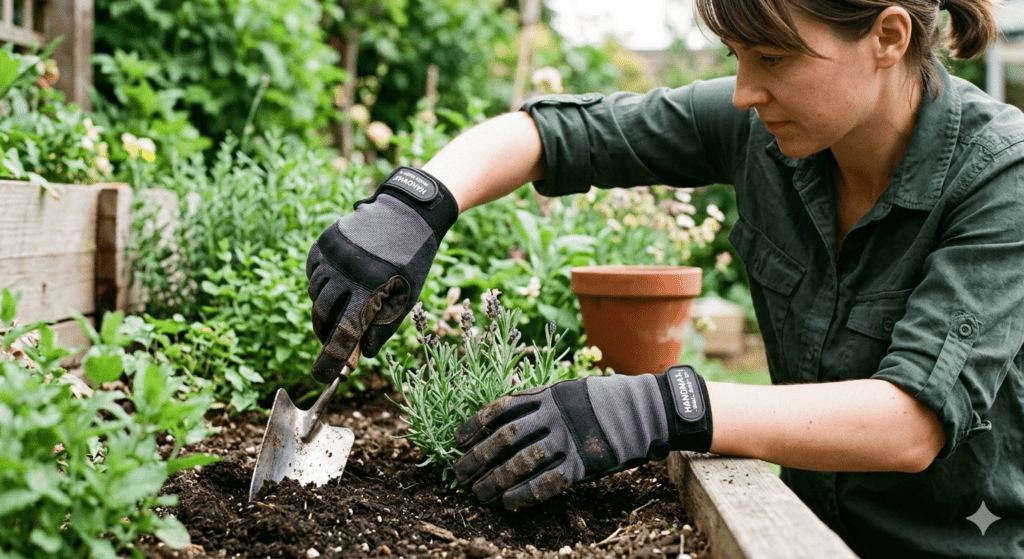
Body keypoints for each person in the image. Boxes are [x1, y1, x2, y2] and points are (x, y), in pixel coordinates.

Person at [304, 0, 1024, 556]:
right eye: (737, 57)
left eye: (772, 58)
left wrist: (663, 407)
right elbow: (557, 136)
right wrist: (416, 203)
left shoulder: (1000, 173)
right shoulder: (765, 131)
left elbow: (910, 422)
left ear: (889, 37)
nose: (744, 92)